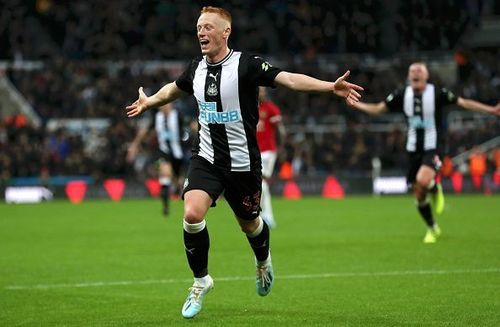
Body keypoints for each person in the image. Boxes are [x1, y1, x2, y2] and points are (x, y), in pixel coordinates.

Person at [126, 6, 363, 319]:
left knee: (249, 224)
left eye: (209, 27)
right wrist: (150, 101)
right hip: (206, 158)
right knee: (192, 213)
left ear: (226, 32)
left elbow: (288, 78)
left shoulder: (247, 64)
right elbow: (174, 88)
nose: (201, 32)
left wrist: (329, 86)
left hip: (243, 163)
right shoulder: (195, 67)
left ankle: (262, 260)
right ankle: (201, 281)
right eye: (199, 27)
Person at [351, 62, 500, 244]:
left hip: (434, 146)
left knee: (422, 180)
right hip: (413, 148)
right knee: (419, 194)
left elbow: (464, 103)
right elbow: (378, 109)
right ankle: (432, 227)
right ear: (408, 77)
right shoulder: (400, 95)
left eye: (419, 70)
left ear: (426, 76)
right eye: (412, 70)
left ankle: (433, 187)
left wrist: (490, 109)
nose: (415, 72)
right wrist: (357, 105)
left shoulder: (438, 93)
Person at [127, 103, 185, 216]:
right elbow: (145, 131)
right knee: (165, 174)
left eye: (167, 104)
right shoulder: (157, 118)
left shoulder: (177, 115)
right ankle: (166, 207)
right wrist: (134, 145)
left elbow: (189, 125)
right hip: (163, 152)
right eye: (162, 105)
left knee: (177, 180)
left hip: (178, 153)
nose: (165, 107)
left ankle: (178, 187)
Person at [256, 87, 286, 228]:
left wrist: (281, 148)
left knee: (260, 181)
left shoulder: (271, 108)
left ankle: (267, 216)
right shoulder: (250, 107)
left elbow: (280, 129)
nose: (261, 93)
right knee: (259, 183)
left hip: (267, 150)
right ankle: (263, 215)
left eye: (262, 90)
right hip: (255, 151)